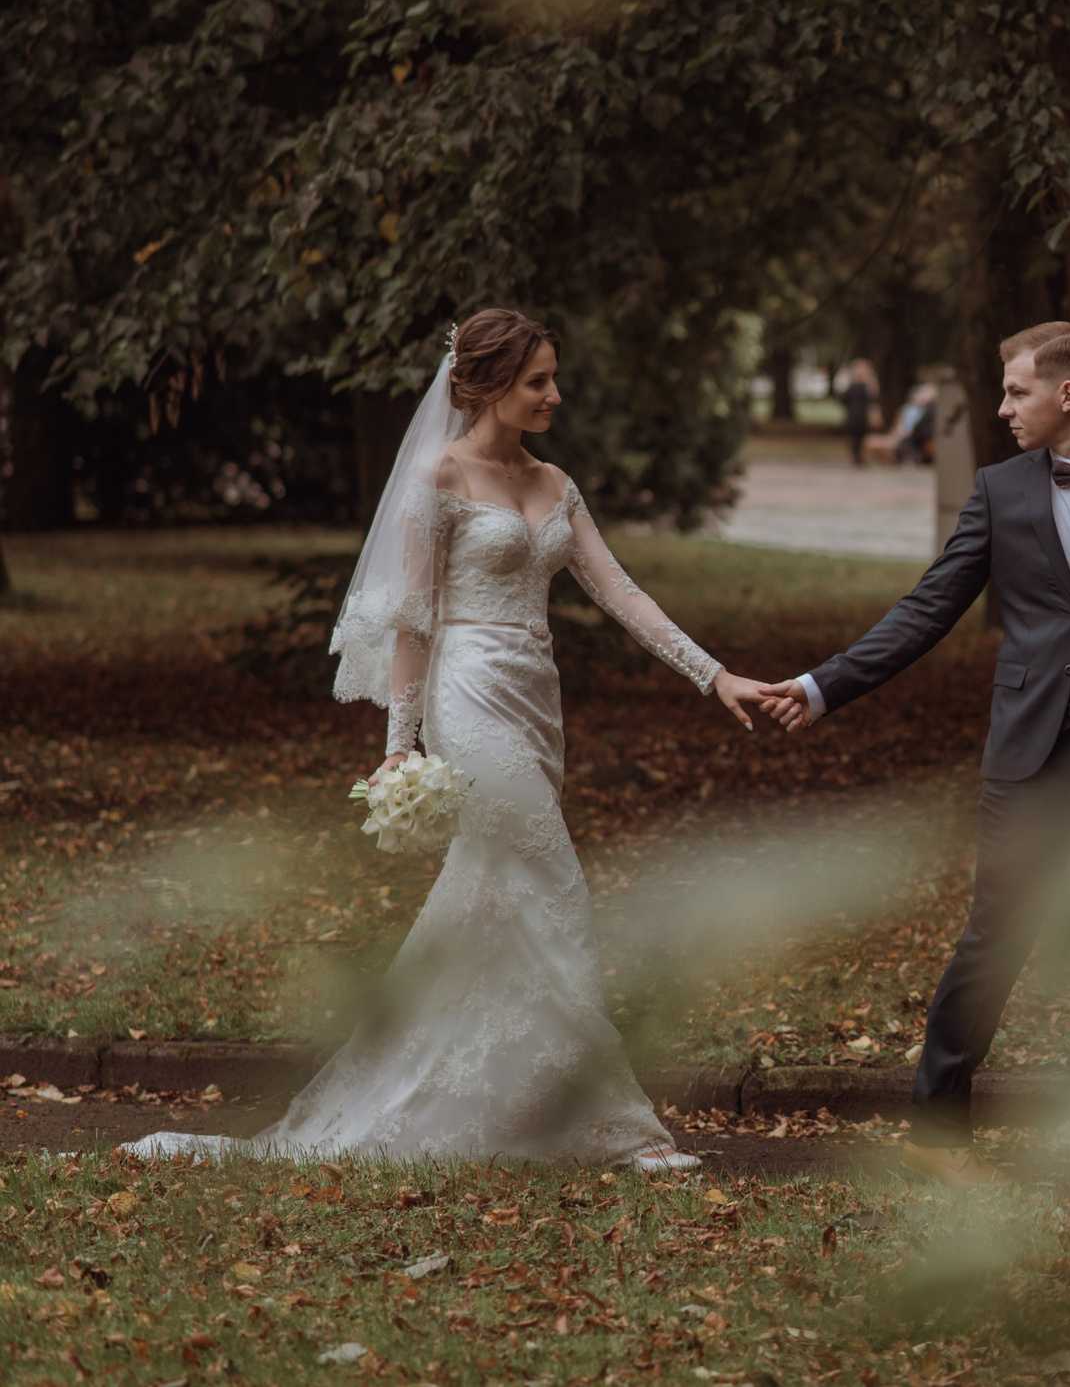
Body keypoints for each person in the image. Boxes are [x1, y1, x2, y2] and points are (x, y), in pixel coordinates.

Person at [123, 310, 775, 1168]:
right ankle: (613, 1123)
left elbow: (623, 595)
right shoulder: (441, 475)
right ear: (486, 384)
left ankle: (490, 1097)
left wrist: (715, 673)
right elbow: (413, 621)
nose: (554, 394)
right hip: (467, 695)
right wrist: (403, 743)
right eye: (537, 379)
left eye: (553, 377)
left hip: (537, 696)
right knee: (554, 885)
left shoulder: (555, 485)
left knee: (496, 903)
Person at [752, 322, 1070, 1201]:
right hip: (1029, 752)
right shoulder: (999, 489)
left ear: (1067, 395)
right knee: (996, 938)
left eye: (1015, 392)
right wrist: (821, 685)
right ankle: (935, 1134)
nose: (1003, 407)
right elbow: (929, 607)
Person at [840, 359, 879, 466]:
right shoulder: (851, 384)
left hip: (863, 414)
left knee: (863, 435)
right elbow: (844, 399)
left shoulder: (868, 384)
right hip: (853, 414)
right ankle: (854, 455)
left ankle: (861, 455)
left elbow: (872, 399)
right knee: (853, 435)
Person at [892, 381, 936, 466]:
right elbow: (907, 425)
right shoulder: (911, 408)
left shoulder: (925, 409)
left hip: (919, 436)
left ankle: (911, 458)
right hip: (913, 433)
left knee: (906, 441)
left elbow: (913, 426)